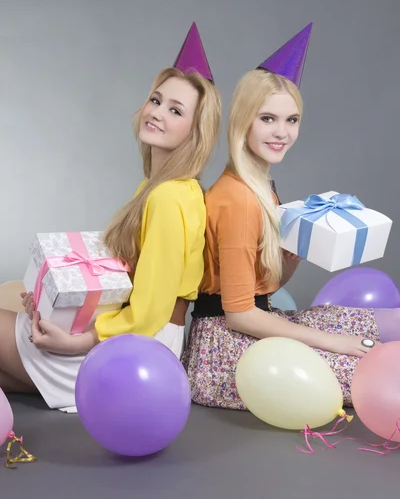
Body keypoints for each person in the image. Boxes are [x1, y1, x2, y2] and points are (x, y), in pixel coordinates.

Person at [0, 23, 222, 412]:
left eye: (175, 110)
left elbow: (150, 308)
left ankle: (73, 378)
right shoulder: (159, 188)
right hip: (129, 334)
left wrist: (81, 341)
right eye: (156, 100)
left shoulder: (169, 197)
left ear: (195, 131)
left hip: (134, 348)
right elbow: (121, 281)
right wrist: (55, 304)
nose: (156, 113)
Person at [182, 23, 399, 409]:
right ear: (242, 121)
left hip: (265, 322)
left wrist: (289, 258)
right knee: (376, 369)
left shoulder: (261, 187)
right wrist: (337, 344)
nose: (282, 132)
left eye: (291, 120)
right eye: (267, 119)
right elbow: (240, 315)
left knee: (378, 321)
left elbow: (261, 288)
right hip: (226, 349)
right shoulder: (237, 199)